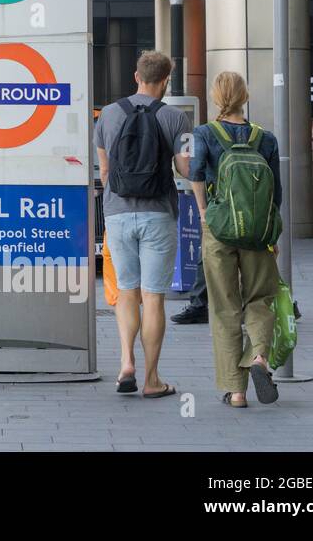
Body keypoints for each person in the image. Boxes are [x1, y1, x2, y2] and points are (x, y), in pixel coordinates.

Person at [94, 51, 191, 398]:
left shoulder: (108, 114)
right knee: (153, 298)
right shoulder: (176, 118)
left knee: (126, 293)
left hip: (118, 214)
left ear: (136, 76)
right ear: (165, 81)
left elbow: (104, 172)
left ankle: (125, 364)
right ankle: (152, 380)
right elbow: (185, 169)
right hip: (159, 214)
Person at [189, 72, 282, 408]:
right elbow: (277, 194)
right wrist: (273, 234)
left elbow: (196, 174)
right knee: (259, 299)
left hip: (220, 227)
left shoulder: (205, 133)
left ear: (217, 98)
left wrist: (203, 213)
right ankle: (259, 358)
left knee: (225, 306)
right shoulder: (266, 138)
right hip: (258, 232)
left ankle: (237, 391)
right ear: (245, 97)